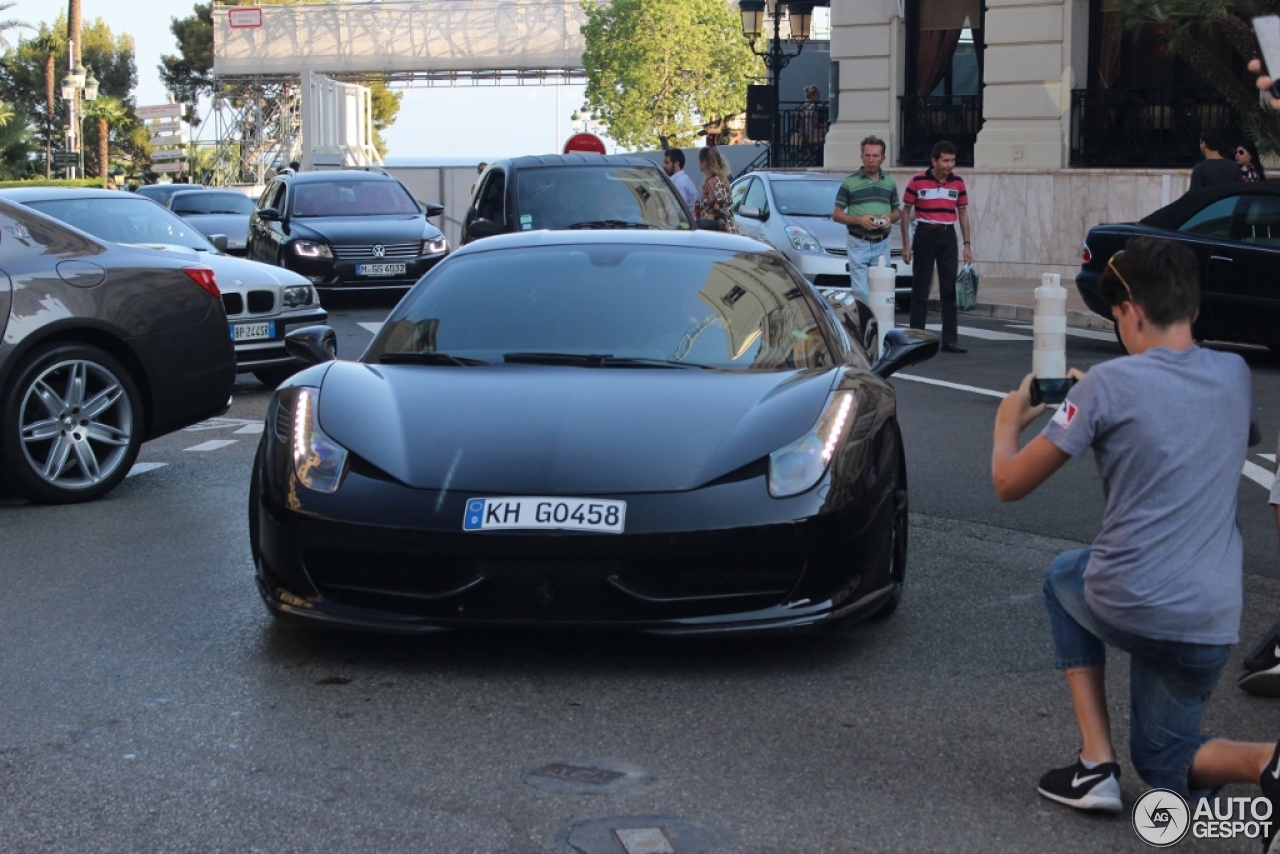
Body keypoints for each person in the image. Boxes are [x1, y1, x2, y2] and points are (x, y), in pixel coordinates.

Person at [991, 235, 1279, 831]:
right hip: (1212, 615)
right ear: (1193, 310)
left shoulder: (1105, 385)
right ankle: (1268, 761)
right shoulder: (1234, 374)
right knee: (1166, 758)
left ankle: (1095, 763)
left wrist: (1006, 424)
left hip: (1133, 598)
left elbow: (1010, 484)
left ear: (1132, 313)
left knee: (1062, 576)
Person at [900, 140, 972, 354]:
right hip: (924, 235)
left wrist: (967, 244)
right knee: (920, 288)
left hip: (948, 236)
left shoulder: (958, 183)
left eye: (952, 160)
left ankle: (950, 339)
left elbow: (963, 213)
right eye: (945, 160)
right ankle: (916, 338)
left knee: (949, 290)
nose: (950, 165)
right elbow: (906, 212)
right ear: (934, 160)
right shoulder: (917, 181)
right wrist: (906, 244)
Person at [832, 135, 900, 304]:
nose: (871, 160)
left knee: (882, 292)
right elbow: (837, 214)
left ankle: (880, 327)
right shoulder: (849, 183)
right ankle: (864, 328)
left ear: (883, 158)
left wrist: (889, 218)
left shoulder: (889, 183)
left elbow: (897, 211)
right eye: (867, 155)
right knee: (861, 292)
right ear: (861, 157)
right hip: (858, 242)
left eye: (875, 156)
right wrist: (860, 221)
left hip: (882, 243)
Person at [696, 146, 737, 234]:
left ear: (705, 162)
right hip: (728, 227)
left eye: (700, 160)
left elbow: (714, 207)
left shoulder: (712, 182)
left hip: (718, 231)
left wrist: (705, 228)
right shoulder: (719, 179)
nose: (698, 162)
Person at [662, 148, 699, 214]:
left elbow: (679, 210)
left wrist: (663, 212)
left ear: (676, 164)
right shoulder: (684, 178)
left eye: (667, 163)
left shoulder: (678, 182)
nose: (663, 165)